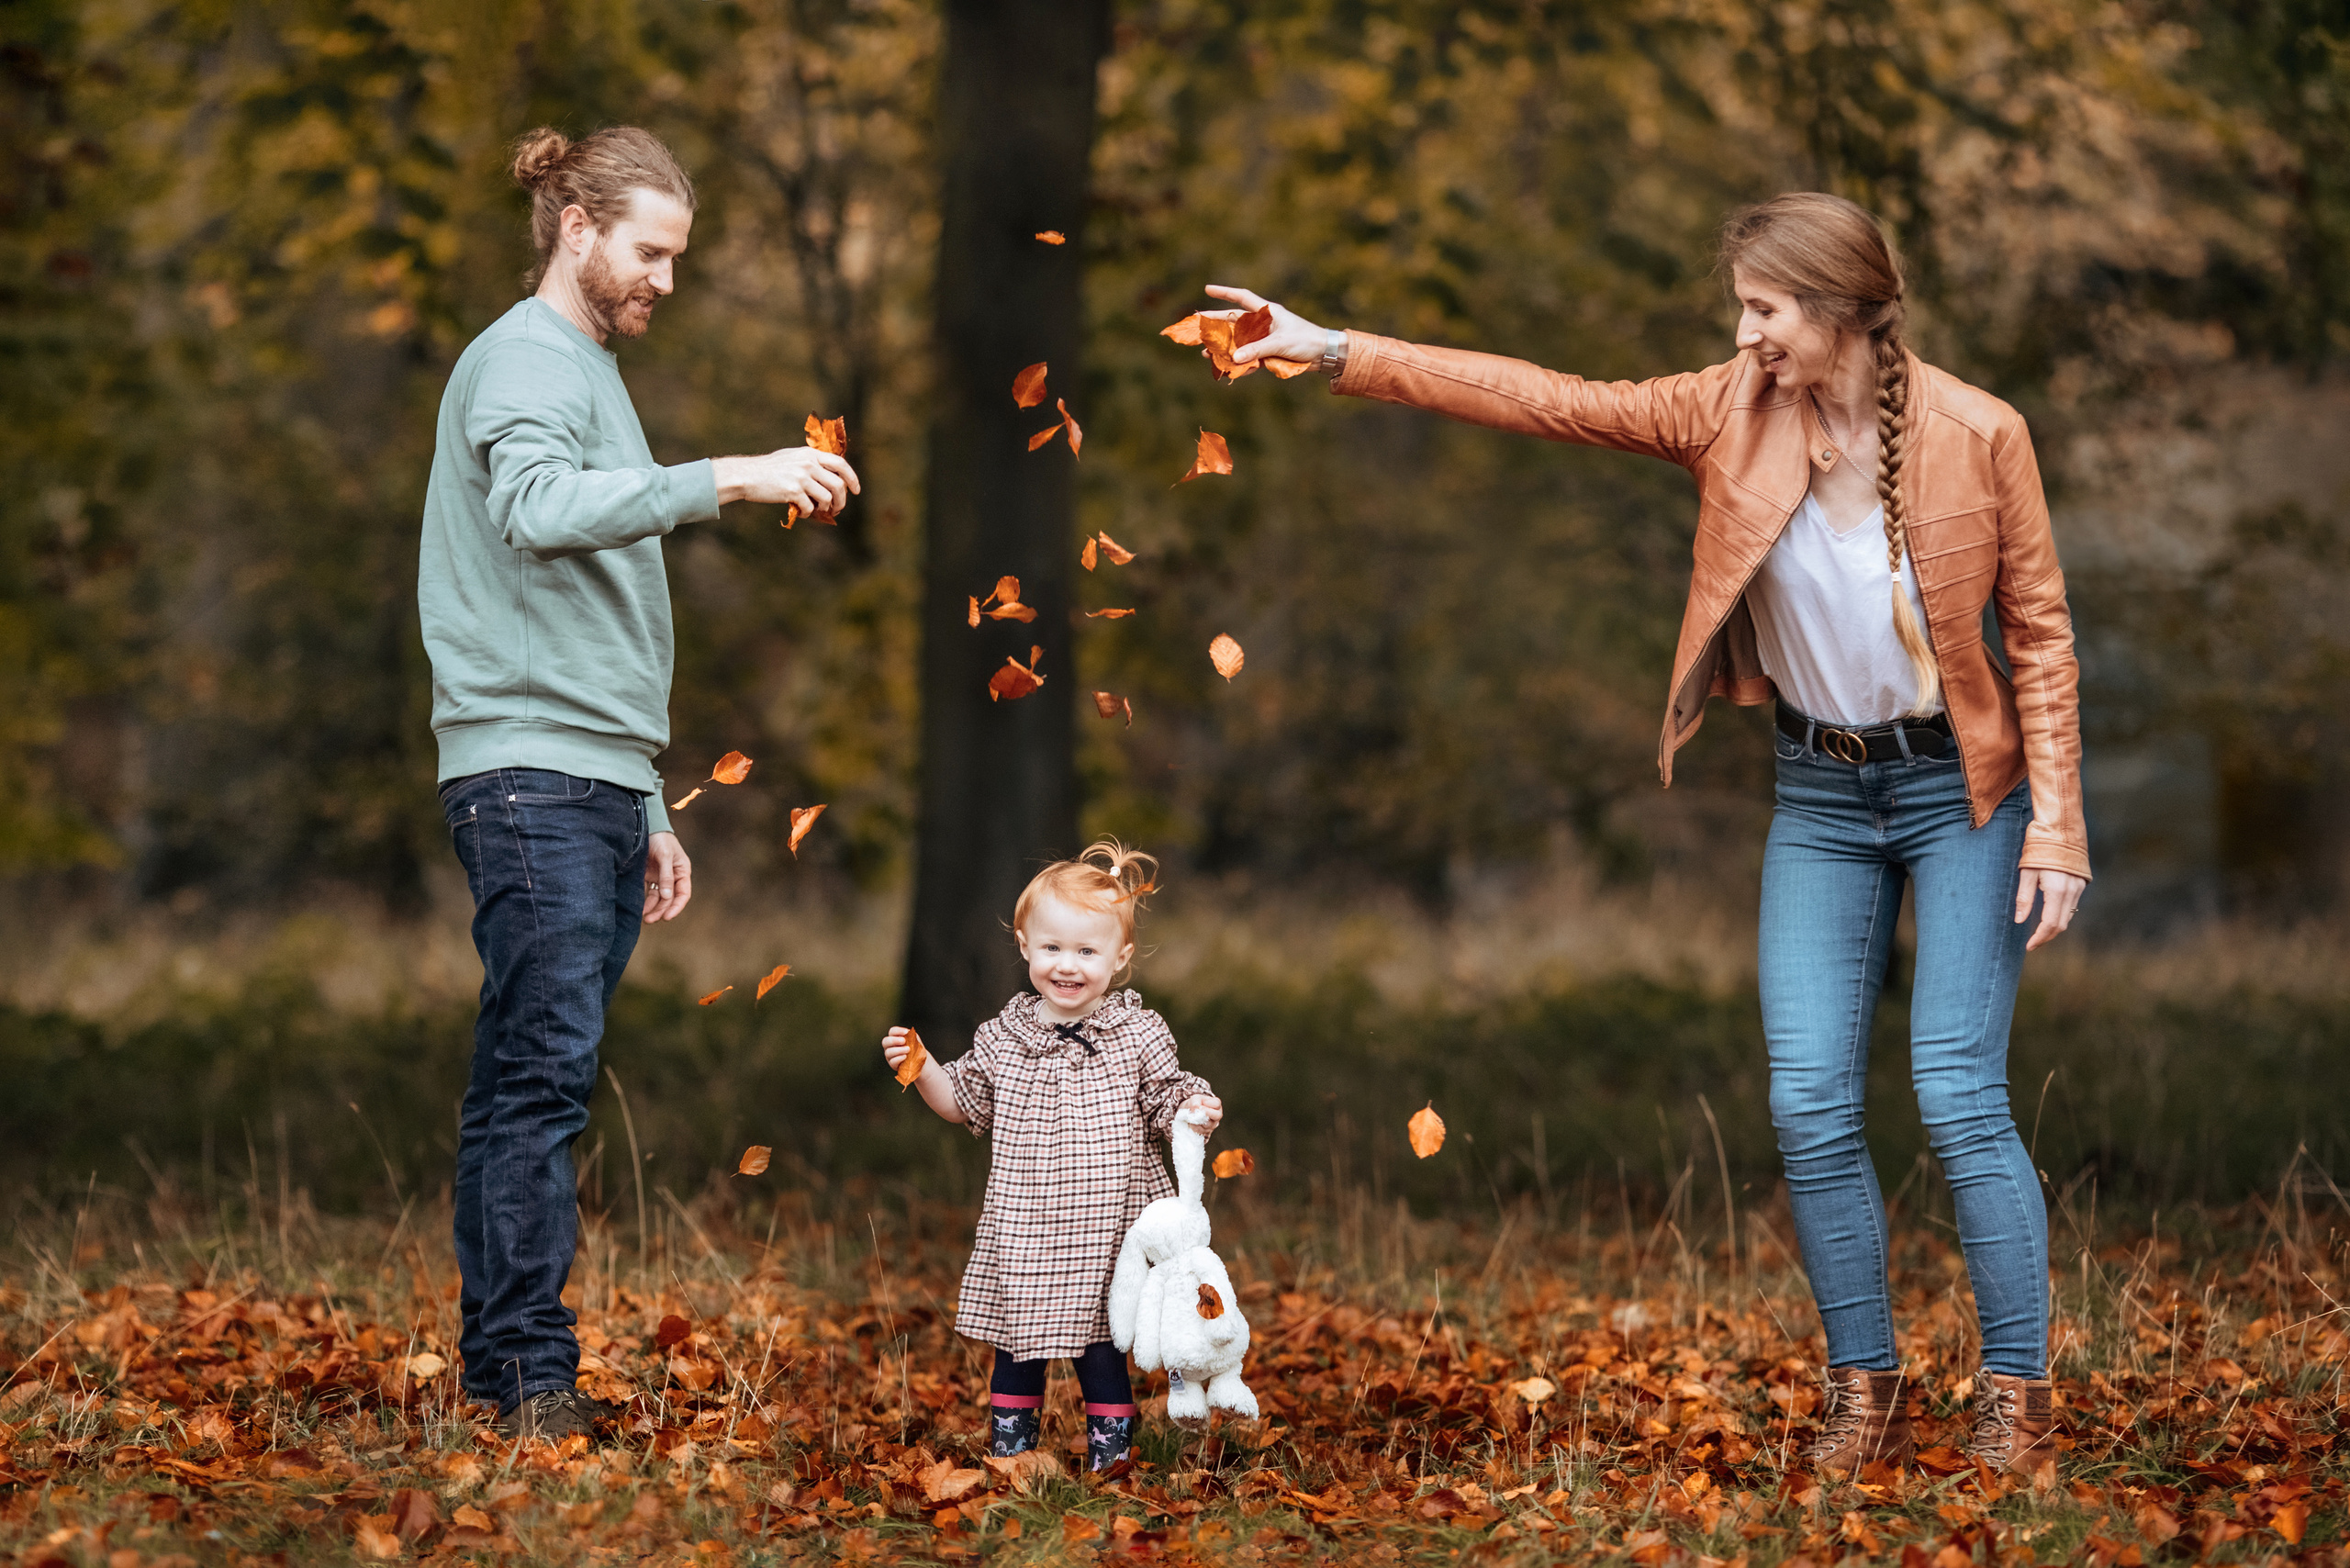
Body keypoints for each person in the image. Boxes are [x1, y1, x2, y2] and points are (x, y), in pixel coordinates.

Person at [1207, 192, 2087, 1479]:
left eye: (1765, 309)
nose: (1744, 334)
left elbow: (2044, 641)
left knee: (1957, 1094)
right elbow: (1550, 398)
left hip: (1966, 794)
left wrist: (2054, 825)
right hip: (1824, 801)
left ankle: (2015, 1395)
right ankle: (1867, 1389)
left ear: (1841, 310)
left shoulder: (1979, 434)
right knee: (1808, 1102)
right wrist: (1337, 347)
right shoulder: (1727, 410)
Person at [420, 124, 861, 1440]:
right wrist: (731, 474)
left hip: (587, 778)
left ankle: (514, 1376)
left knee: (543, 1075)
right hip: (524, 774)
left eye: (677, 255)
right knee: (540, 1080)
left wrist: (643, 792)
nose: (665, 277)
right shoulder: (523, 361)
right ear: (577, 228)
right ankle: (522, 1385)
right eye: (650, 251)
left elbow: (585, 603)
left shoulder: (588, 369)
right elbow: (540, 513)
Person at [882, 842, 1224, 1471]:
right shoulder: (1003, 1038)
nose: (1067, 966)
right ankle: (1014, 1456)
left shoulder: (1136, 1035)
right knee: (1019, 1348)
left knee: (1102, 1350)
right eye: (1052, 949)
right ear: (1024, 946)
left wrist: (1192, 1108)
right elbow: (961, 1102)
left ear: (1119, 959)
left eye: (1087, 952)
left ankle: (1110, 1459)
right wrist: (922, 1067)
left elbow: (1164, 1094)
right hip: (1027, 1226)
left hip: (1109, 1229)